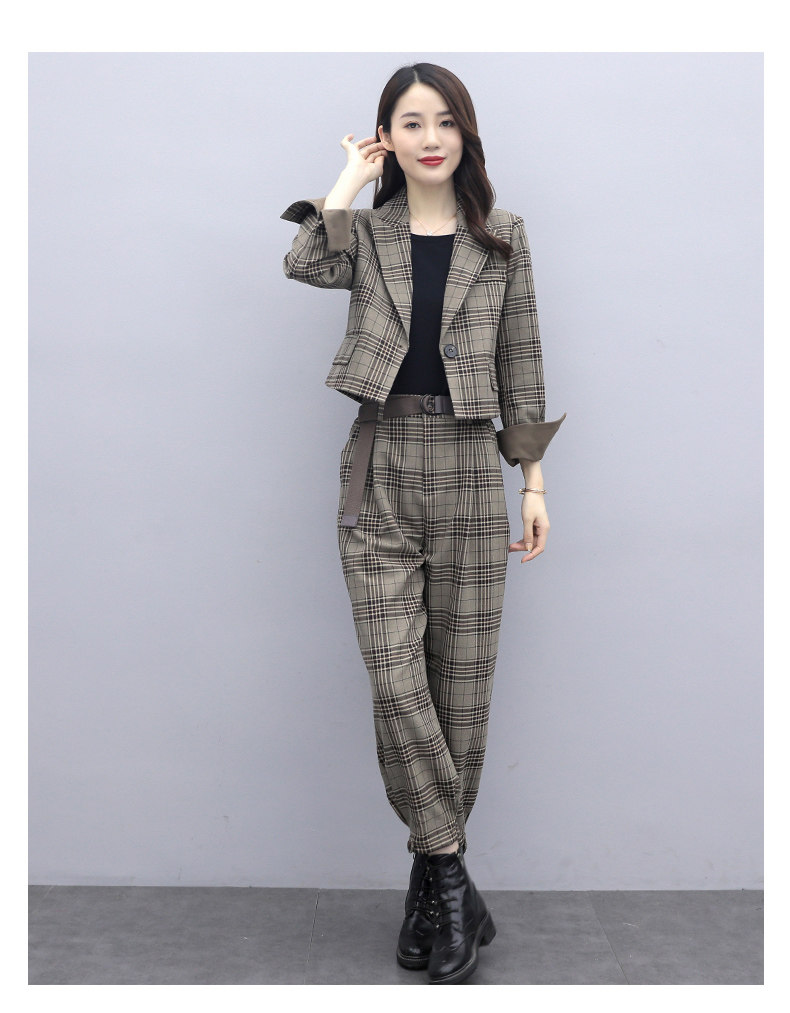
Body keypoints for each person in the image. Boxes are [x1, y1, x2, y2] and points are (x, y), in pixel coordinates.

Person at [281, 62, 565, 986]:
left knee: (461, 688)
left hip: (471, 470)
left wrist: (533, 482)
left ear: (465, 133)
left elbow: (523, 357)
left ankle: (431, 885)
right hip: (380, 468)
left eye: (445, 120)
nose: (430, 137)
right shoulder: (366, 233)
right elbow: (305, 262)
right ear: (388, 137)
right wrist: (347, 181)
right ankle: (451, 874)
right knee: (397, 680)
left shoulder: (504, 236)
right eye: (410, 122)